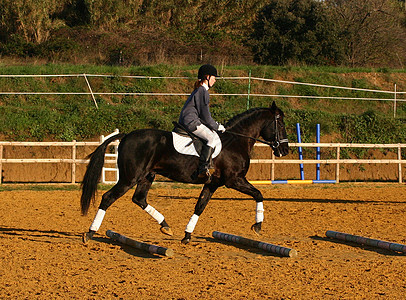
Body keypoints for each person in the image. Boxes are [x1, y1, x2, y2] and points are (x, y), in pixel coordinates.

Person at [178, 64, 225, 181]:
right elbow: (205, 117)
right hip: (191, 121)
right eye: (214, 77)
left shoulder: (200, 90)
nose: (215, 80)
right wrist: (217, 126)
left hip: (190, 120)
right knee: (211, 138)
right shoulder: (202, 91)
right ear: (207, 77)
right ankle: (203, 169)